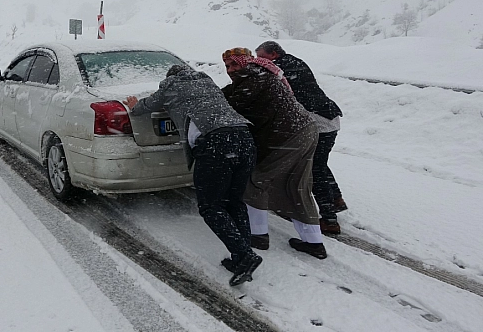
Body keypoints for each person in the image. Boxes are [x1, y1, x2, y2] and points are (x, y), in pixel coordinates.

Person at [124, 64, 262, 285]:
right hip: (244, 137)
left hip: (215, 143)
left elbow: (145, 107)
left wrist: (134, 104)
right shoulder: (208, 83)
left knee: (210, 206)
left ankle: (244, 255)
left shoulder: (171, 85)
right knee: (234, 202)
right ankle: (240, 256)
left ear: (170, 77)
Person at [221, 47, 327, 259]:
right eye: (227, 66)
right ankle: (314, 242)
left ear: (246, 61)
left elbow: (230, 105)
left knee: (256, 181)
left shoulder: (252, 80)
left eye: (234, 64)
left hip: (288, 136)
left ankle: (257, 235)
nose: (231, 70)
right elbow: (228, 94)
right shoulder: (258, 76)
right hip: (305, 129)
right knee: (297, 186)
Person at [256, 41, 346, 235]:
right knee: (320, 163)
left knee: (314, 168)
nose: (259, 61)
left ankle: (330, 220)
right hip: (329, 115)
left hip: (317, 119)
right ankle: (336, 199)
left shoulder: (280, 68)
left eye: (261, 57)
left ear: (273, 54)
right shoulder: (294, 62)